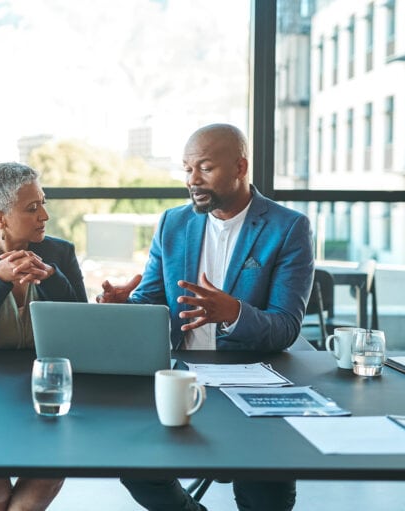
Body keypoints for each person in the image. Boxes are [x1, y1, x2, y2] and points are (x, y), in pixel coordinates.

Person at [99, 123, 314, 511]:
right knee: (137, 469)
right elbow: (151, 302)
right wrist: (122, 309)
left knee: (266, 496)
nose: (192, 179)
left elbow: (285, 326)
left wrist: (233, 312)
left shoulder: (287, 227)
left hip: (253, 380)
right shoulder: (172, 224)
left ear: (240, 167)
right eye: (186, 168)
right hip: (182, 376)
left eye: (205, 167)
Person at [0, 161, 87, 511]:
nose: (45, 216)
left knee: (44, 477)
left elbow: (82, 328)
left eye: (44, 202)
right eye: (32, 208)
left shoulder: (61, 253)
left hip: (45, 388)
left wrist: (52, 276)